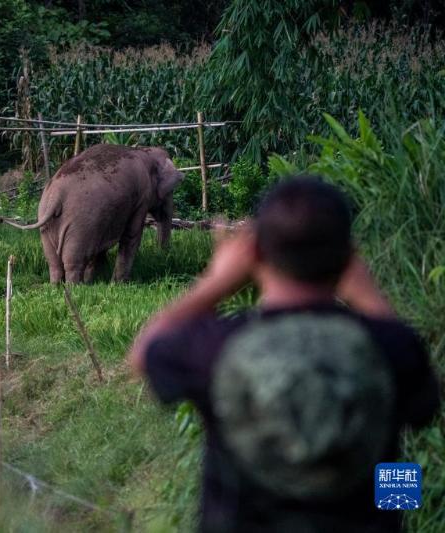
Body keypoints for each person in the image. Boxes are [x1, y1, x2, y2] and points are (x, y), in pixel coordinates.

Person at [128, 177, 440, 533]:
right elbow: (417, 413)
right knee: (397, 467)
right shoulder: (390, 347)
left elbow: (142, 353)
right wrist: (367, 291)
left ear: (257, 255)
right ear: (348, 257)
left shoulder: (218, 345)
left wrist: (216, 280)